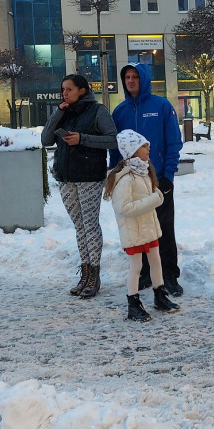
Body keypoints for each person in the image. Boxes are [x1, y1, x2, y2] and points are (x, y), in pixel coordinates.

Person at [109, 62, 184, 296]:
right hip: (132, 183)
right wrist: (114, 175)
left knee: (164, 228)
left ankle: (169, 275)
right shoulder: (119, 112)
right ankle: (143, 274)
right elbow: (115, 149)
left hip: (157, 178)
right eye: (127, 77)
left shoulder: (161, 106)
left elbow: (173, 142)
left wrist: (168, 175)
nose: (130, 81)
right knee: (138, 229)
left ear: (144, 79)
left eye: (135, 77)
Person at [41, 74, 117, 298]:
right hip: (66, 178)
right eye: (62, 89)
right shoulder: (63, 113)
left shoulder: (98, 111)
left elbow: (112, 139)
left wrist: (82, 139)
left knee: (90, 226)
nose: (64, 93)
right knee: (79, 227)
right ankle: (84, 272)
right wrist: (58, 112)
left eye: (69, 89)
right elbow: (46, 139)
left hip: (89, 178)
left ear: (82, 90)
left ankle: (95, 274)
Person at [103, 129, 180, 322]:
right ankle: (133, 303)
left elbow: (154, 194)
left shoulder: (145, 171)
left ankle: (159, 294)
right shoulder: (125, 178)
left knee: (156, 261)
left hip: (148, 228)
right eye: (143, 146)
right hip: (134, 231)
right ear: (132, 150)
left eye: (147, 145)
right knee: (136, 266)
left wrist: (156, 197)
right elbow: (124, 208)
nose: (148, 148)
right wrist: (154, 200)